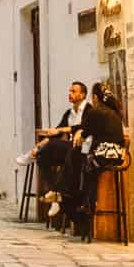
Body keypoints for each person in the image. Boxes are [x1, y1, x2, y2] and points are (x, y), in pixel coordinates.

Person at [62, 80, 127, 241]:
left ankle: (84, 209)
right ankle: (78, 202)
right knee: (83, 166)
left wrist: (79, 134)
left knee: (82, 168)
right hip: (118, 156)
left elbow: (85, 133)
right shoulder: (114, 113)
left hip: (103, 156)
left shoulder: (95, 112)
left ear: (96, 98)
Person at [29, 81, 88, 222]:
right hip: (68, 149)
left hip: (81, 150)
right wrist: (39, 146)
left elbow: (84, 126)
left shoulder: (88, 110)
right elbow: (56, 130)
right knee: (42, 155)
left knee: (54, 145)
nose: (70, 94)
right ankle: (55, 193)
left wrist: (62, 130)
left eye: (73, 91)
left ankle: (58, 194)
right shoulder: (69, 112)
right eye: (69, 91)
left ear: (82, 94)